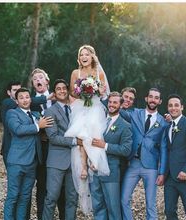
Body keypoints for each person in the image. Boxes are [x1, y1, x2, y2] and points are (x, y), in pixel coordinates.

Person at [64, 45, 110, 214]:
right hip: (81, 107)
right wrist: (82, 91)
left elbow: (104, 93)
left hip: (95, 107)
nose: (84, 57)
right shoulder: (75, 73)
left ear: (92, 57)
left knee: (94, 131)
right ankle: (83, 165)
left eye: (87, 54)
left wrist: (96, 90)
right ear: (79, 58)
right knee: (81, 134)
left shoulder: (99, 73)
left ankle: (93, 161)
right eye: (81, 55)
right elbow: (72, 92)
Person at [4, 87, 53, 220]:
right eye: (21, 98)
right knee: (13, 196)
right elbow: (18, 129)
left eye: (27, 97)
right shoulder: (12, 113)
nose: (25, 100)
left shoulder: (36, 115)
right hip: (17, 162)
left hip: (32, 162)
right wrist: (38, 127)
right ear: (17, 100)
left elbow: (42, 132)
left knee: (25, 198)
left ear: (30, 99)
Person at [121, 88, 168, 220]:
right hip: (133, 163)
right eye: (151, 96)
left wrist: (162, 172)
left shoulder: (163, 122)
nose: (153, 100)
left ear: (160, 101)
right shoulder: (134, 113)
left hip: (151, 167)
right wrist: (102, 96)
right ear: (146, 98)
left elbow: (164, 148)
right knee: (124, 199)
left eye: (156, 97)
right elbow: (118, 110)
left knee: (151, 204)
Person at [30, 68, 66, 220]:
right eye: (35, 79)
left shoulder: (60, 97)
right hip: (42, 149)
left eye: (41, 77)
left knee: (62, 187)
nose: (38, 80)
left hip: (60, 149)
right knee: (43, 186)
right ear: (33, 84)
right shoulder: (29, 103)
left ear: (47, 81)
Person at [89, 92, 132, 220]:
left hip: (111, 171)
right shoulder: (100, 121)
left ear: (121, 105)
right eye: (110, 102)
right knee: (98, 206)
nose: (112, 105)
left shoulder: (125, 126)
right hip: (95, 170)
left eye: (115, 102)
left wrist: (105, 145)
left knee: (113, 208)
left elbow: (126, 150)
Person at [42, 79, 80, 220]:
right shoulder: (50, 111)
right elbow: (53, 137)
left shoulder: (76, 110)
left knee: (72, 199)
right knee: (51, 198)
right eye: (59, 89)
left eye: (64, 88)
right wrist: (75, 141)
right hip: (56, 162)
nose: (62, 91)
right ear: (54, 92)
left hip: (75, 161)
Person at [0, 81, 21, 167]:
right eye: (15, 90)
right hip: (9, 148)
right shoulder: (8, 102)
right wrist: (46, 98)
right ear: (9, 92)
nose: (18, 93)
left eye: (20, 90)